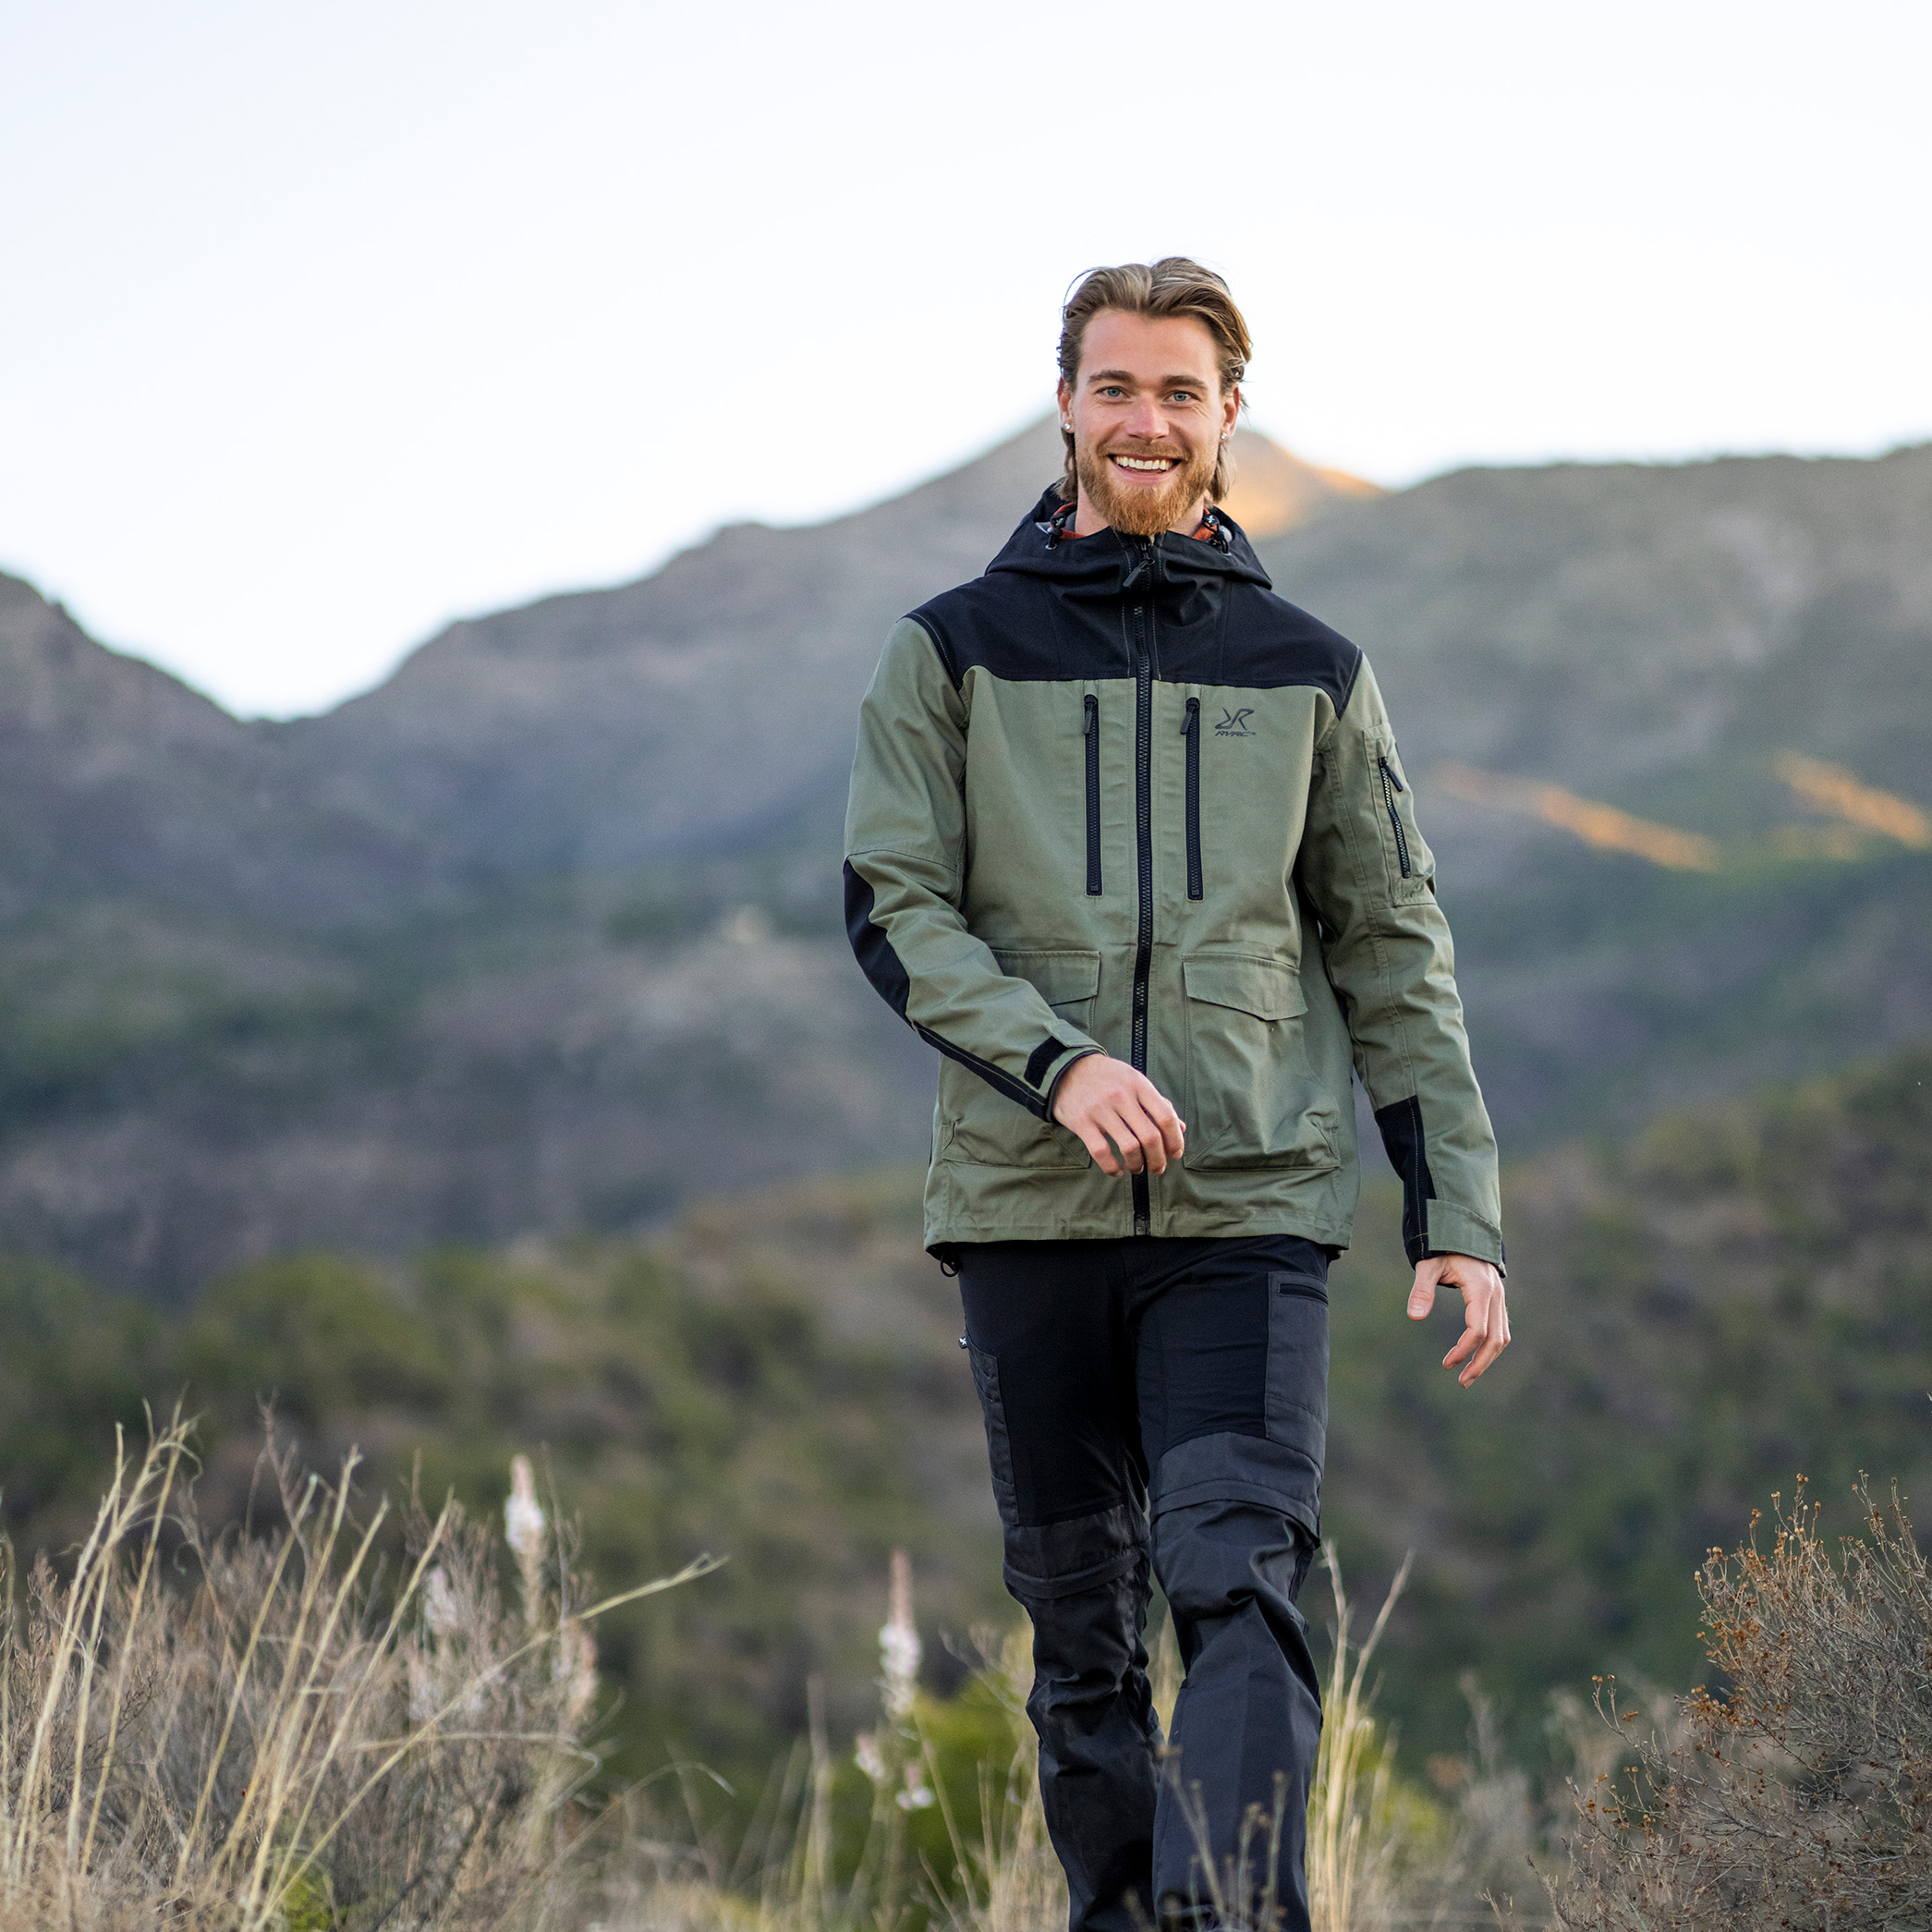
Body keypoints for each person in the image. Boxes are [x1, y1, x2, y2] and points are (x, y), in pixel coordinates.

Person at [843, 258, 1509, 1932]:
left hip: (1252, 1203)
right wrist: (1060, 1071)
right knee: (1080, 1633)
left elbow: (1391, 943)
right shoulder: (949, 653)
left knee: (1236, 1577)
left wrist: (1457, 1211)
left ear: (1228, 416)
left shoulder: (1311, 667)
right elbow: (893, 908)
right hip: (1023, 1204)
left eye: (1181, 394)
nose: (1148, 421)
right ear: (1065, 401)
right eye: (1118, 388)